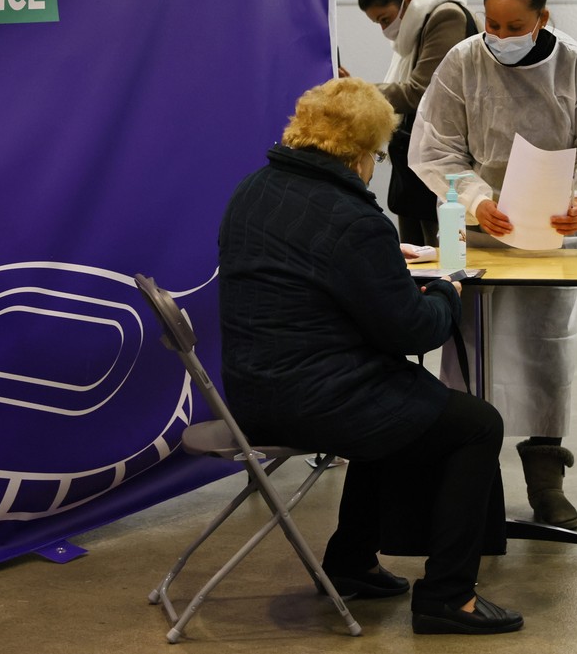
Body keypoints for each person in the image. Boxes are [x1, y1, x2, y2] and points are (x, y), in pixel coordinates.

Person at [217, 78, 523, 635]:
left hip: (251, 394)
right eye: (380, 155)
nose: (376, 165)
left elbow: (306, 282)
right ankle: (450, 597)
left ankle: (351, 562)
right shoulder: (353, 219)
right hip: (315, 402)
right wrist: (446, 293)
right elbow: (411, 330)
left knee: (396, 399)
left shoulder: (253, 191)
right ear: (361, 152)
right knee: (476, 423)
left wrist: (383, 262)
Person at [409, 0, 577, 531]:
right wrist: (478, 197)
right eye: (492, 24)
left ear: (543, 18)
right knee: (468, 354)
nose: (500, 37)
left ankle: (545, 476)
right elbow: (435, 147)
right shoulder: (462, 62)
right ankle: (472, 483)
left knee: (544, 351)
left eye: (514, 27)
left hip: (551, 233)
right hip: (476, 229)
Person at [350, 0, 477, 245]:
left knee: (441, 265)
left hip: (445, 168)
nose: (384, 29)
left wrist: (357, 91)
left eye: (384, 19)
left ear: (408, 1)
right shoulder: (422, 23)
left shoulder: (445, 17)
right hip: (418, 169)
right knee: (419, 267)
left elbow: (421, 93)